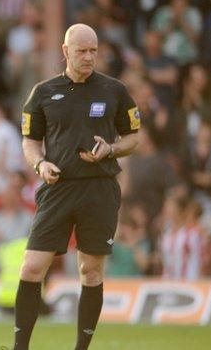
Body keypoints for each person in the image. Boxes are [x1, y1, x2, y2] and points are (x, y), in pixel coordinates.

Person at [15, 24, 139, 350]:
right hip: (58, 188)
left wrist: (111, 149)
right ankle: (19, 347)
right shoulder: (43, 92)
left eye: (93, 51)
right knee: (31, 267)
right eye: (82, 51)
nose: (88, 57)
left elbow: (133, 137)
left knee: (91, 272)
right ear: (65, 50)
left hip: (99, 188)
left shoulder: (115, 90)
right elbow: (29, 142)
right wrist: (40, 164)